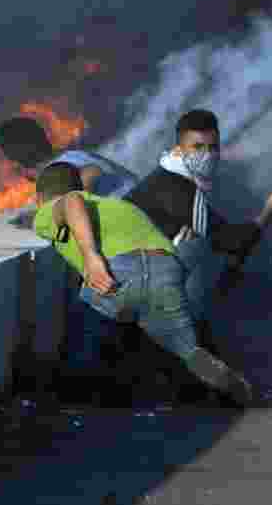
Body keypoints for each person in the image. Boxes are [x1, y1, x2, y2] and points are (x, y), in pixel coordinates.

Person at [32, 161, 257, 407]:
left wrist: (91, 257)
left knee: (85, 309)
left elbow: (71, 201)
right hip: (166, 269)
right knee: (186, 350)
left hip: (121, 272)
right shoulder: (120, 206)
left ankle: (76, 390)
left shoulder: (49, 208)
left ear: (39, 198)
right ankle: (228, 386)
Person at [124, 109, 272, 399]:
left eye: (212, 147)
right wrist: (268, 214)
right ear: (179, 148)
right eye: (197, 147)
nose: (207, 155)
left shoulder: (175, 180)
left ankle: (195, 381)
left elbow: (219, 233)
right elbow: (229, 241)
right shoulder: (178, 189)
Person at [0, 116, 139, 198]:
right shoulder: (77, 156)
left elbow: (91, 174)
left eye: (9, 152)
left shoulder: (65, 166)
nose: (10, 159)